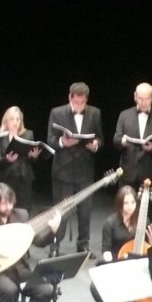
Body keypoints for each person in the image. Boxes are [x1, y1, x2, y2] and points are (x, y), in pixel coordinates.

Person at [89, 186, 152, 302]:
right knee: (95, 287)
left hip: (140, 266)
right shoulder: (110, 223)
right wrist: (110, 258)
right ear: (119, 204)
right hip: (119, 266)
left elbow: (148, 246)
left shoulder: (143, 221)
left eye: (132, 202)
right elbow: (106, 249)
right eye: (126, 203)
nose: (130, 207)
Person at [47, 82, 103, 257]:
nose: (79, 105)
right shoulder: (57, 112)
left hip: (85, 170)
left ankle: (83, 245)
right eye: (76, 102)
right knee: (60, 212)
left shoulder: (95, 113)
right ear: (70, 98)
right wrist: (64, 142)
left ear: (86, 99)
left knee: (85, 211)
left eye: (82, 102)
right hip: (63, 170)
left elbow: (100, 137)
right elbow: (50, 140)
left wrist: (95, 145)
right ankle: (55, 245)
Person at [113, 82, 152, 219]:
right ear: (135, 96)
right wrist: (123, 141)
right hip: (128, 170)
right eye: (140, 98)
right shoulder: (124, 115)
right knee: (124, 211)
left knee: (146, 213)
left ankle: (144, 240)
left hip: (149, 170)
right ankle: (125, 240)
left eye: (147, 98)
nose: (143, 102)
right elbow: (116, 139)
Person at [0, 106, 41, 209]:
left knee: (24, 210)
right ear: (6, 121)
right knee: (6, 209)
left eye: (18, 119)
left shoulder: (28, 135)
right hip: (6, 178)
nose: (15, 122)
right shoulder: (0, 136)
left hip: (23, 179)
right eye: (12, 119)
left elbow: (30, 159)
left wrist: (34, 157)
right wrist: (6, 159)